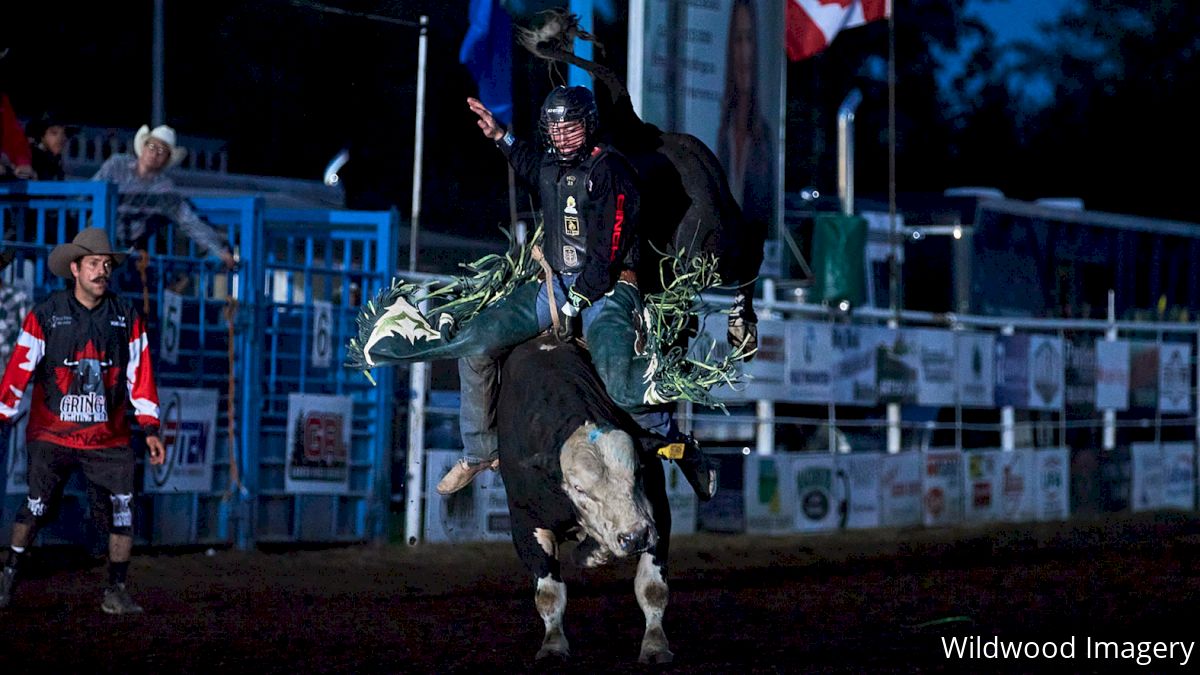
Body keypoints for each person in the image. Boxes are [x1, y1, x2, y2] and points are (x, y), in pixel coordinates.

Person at [436, 87, 716, 501]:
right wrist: (501, 136)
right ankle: (480, 451)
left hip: (608, 288)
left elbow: (609, 249)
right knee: (474, 345)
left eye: (571, 128)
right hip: (553, 282)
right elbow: (530, 164)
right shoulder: (551, 163)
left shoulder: (612, 172)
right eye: (555, 129)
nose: (563, 137)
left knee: (622, 386)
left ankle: (678, 442)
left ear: (588, 126)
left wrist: (578, 298)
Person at [0, 227, 166, 614]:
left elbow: (139, 374)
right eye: (93, 263)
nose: (101, 271)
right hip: (52, 432)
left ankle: (117, 588)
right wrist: (3, 414)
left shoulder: (126, 317)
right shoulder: (47, 313)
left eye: (106, 264)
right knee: (38, 505)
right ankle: (9, 573)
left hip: (108, 436)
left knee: (123, 505)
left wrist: (151, 426)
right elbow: (19, 367)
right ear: (75, 268)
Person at [92, 124, 237, 270]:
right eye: (152, 146)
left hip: (124, 249)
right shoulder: (117, 165)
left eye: (161, 151)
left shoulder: (164, 189)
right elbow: (87, 194)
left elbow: (188, 220)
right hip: (93, 236)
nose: (155, 153)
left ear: (167, 159)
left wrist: (219, 250)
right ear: (144, 147)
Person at [717, 0, 775, 240]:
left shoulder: (765, 136)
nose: (743, 53)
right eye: (738, 40)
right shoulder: (723, 133)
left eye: (749, 39)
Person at [25, 112, 73, 181]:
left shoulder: (55, 160)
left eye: (64, 133)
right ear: (41, 135)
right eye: (54, 133)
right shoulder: (31, 158)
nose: (61, 138)